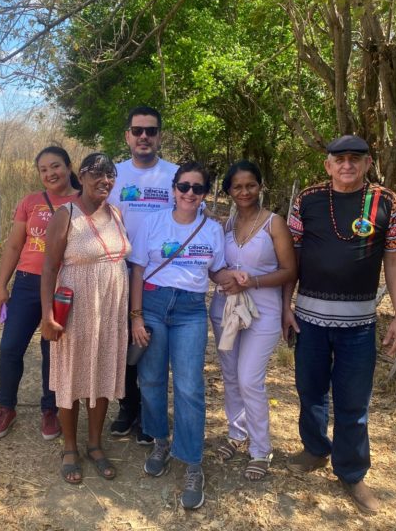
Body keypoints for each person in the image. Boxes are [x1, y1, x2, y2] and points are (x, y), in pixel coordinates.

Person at [282, 135, 396, 515]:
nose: (347, 165)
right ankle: (315, 449)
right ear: (328, 165)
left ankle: (352, 472)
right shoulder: (307, 200)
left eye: (356, 158)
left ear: (368, 163)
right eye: (340, 159)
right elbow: (292, 256)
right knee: (310, 389)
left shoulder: (387, 202)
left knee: (353, 401)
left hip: (359, 324)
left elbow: (395, 259)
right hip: (309, 319)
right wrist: (286, 305)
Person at [129, 162, 235, 509]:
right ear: (174, 188)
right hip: (154, 304)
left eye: (198, 188)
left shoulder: (213, 230)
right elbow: (139, 270)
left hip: (190, 310)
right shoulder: (152, 223)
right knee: (152, 380)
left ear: (206, 193)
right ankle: (160, 441)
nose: (190, 193)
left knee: (190, 387)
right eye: (184, 186)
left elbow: (217, 271)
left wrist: (241, 279)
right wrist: (136, 317)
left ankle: (191, 462)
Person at [41, 153, 131, 484]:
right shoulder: (66, 214)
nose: (104, 180)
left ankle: (95, 444)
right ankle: (69, 447)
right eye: (97, 174)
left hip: (110, 310)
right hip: (76, 309)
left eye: (110, 174)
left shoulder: (117, 213)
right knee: (71, 376)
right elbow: (49, 267)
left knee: (102, 374)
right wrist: (47, 315)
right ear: (81, 175)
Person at [209, 160, 297, 481]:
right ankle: (237, 434)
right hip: (226, 309)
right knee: (231, 375)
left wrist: (254, 282)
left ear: (260, 187)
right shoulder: (225, 226)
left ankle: (261, 449)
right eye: (237, 186)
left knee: (249, 378)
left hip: (264, 310)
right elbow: (213, 267)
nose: (244, 191)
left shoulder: (274, 224)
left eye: (251, 185)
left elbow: (290, 270)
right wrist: (226, 276)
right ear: (229, 191)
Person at [0, 146, 81, 440]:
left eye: (55, 166)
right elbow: (15, 246)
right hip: (28, 282)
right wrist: (2, 285)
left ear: (68, 166)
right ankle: (6, 407)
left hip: (64, 284)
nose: (50, 174)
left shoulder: (83, 202)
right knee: (10, 347)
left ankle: (50, 409)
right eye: (43, 170)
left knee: (51, 349)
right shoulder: (30, 202)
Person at [108, 105, 178, 445]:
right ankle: (127, 407)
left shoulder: (176, 175)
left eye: (151, 131)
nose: (144, 137)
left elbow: (196, 219)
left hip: (162, 274)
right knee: (123, 345)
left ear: (160, 136)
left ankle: (152, 413)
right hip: (118, 271)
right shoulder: (113, 175)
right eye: (137, 131)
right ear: (127, 136)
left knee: (151, 346)